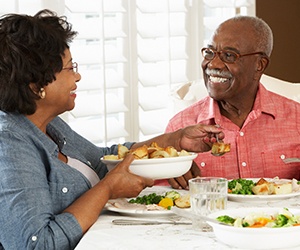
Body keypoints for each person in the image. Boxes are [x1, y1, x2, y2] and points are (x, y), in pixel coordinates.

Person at [0, 10, 224, 250]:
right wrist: (107, 189)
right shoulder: (10, 145)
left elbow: (103, 161)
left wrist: (176, 140)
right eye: (68, 68)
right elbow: (36, 245)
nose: (77, 76)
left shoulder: (49, 125)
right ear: (36, 86)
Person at [155, 15, 300, 189]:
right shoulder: (179, 128)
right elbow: (161, 204)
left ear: (259, 65)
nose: (214, 64)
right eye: (209, 53)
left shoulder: (296, 119)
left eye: (229, 55)